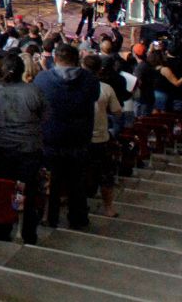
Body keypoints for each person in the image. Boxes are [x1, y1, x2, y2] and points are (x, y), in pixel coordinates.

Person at [34, 43, 100, 230]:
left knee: (50, 183)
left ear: (55, 59)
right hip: (79, 139)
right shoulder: (90, 80)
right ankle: (78, 219)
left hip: (50, 137)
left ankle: (49, 217)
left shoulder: (42, 79)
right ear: (77, 59)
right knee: (76, 182)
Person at [0, 53, 45, 244]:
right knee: (28, 191)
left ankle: (1, 230)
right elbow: (45, 115)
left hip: (1, 147)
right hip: (26, 148)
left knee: (3, 189)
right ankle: (28, 233)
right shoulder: (32, 91)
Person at [83, 54, 122, 218]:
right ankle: (108, 207)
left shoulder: (75, 86)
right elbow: (117, 111)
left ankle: (80, 204)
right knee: (106, 175)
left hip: (80, 137)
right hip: (100, 137)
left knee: (80, 173)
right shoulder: (105, 88)